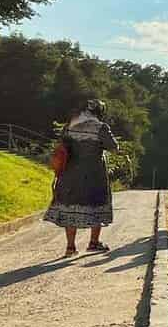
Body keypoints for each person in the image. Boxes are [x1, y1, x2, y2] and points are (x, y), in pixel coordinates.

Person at [44, 99, 117, 254]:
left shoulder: (70, 125)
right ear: (99, 112)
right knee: (96, 204)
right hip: (94, 174)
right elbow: (114, 147)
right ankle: (94, 242)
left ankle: (70, 247)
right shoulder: (101, 127)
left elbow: (62, 145)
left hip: (69, 174)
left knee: (71, 206)